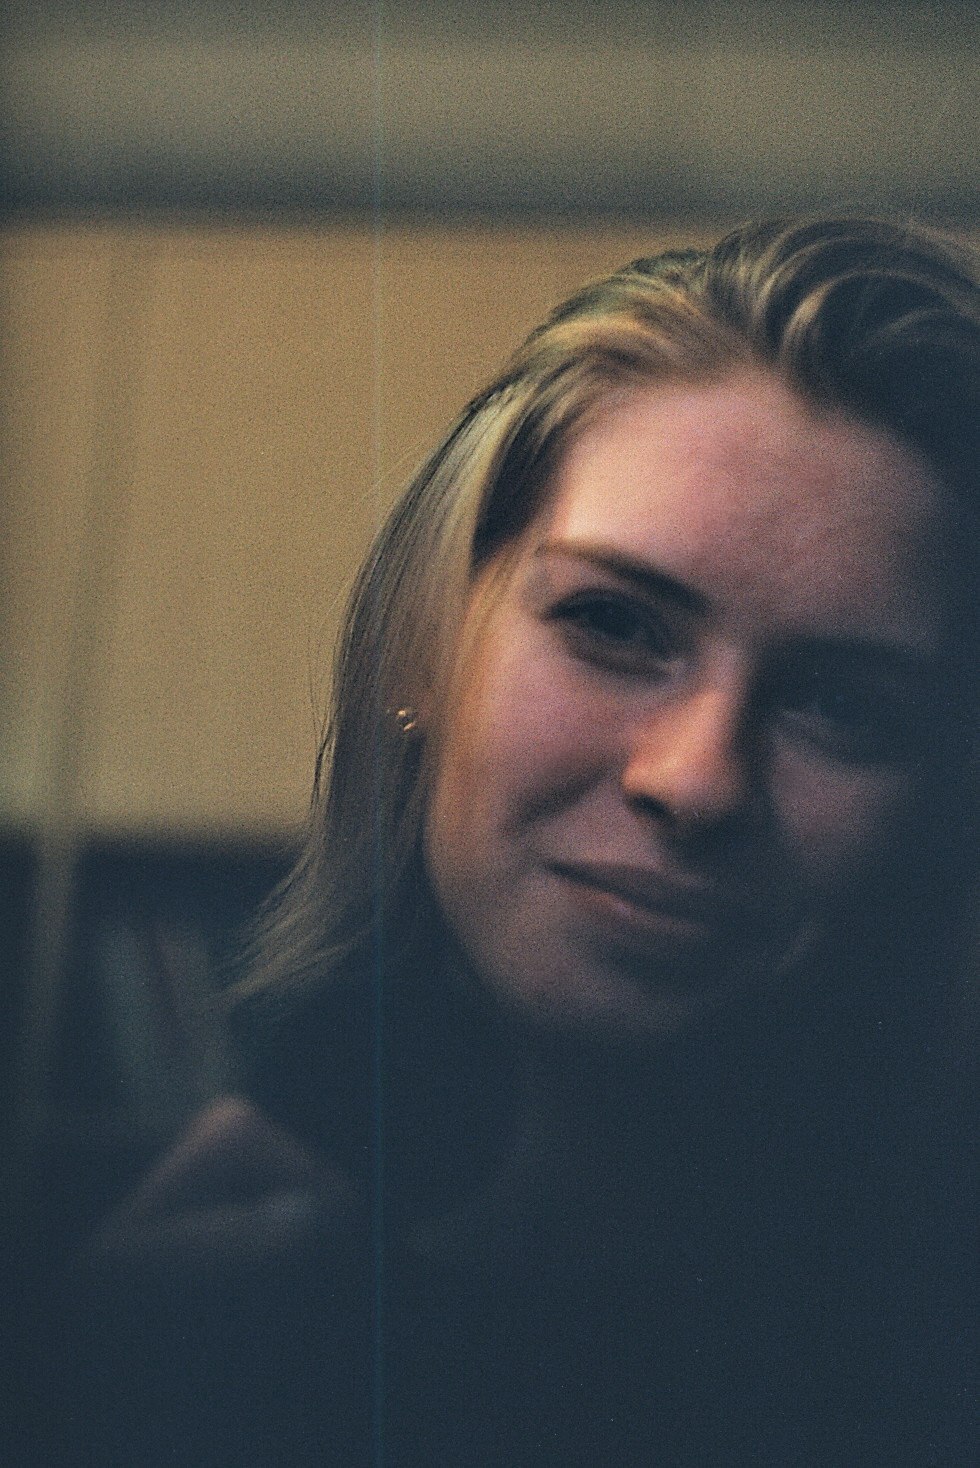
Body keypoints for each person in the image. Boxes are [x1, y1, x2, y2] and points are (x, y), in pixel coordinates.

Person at [65, 216, 979, 1464]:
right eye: (613, 622)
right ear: (427, 642)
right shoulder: (296, 1163)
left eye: (841, 705)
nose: (694, 780)